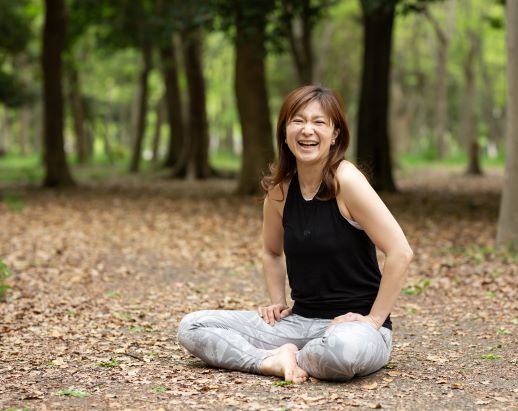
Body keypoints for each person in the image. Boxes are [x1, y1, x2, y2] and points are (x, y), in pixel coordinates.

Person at [177, 85, 413, 382]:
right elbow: (271, 251)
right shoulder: (279, 192)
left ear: (335, 133)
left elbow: (400, 251)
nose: (307, 131)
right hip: (298, 322)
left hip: (353, 331)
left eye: (319, 122)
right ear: (285, 132)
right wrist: (278, 302)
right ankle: (273, 361)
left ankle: (289, 356)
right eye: (298, 121)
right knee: (192, 326)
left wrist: (373, 320)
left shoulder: (346, 180)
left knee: (342, 351)